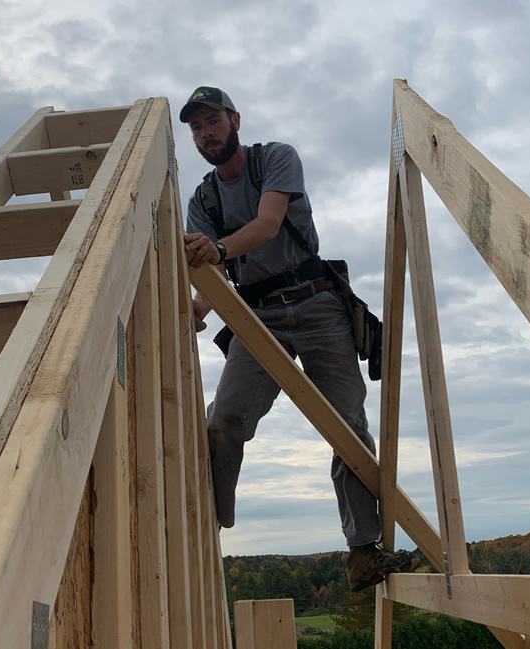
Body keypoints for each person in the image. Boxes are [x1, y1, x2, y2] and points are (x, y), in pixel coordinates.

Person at [180, 86, 419, 591]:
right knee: (223, 420)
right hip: (255, 314)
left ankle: (362, 552)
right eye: (197, 127)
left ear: (235, 120)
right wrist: (197, 309)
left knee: (347, 425)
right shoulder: (202, 198)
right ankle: (210, 527)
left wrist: (215, 250)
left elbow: (267, 226)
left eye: (213, 121)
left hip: (315, 303)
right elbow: (217, 275)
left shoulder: (276, 160)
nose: (206, 133)